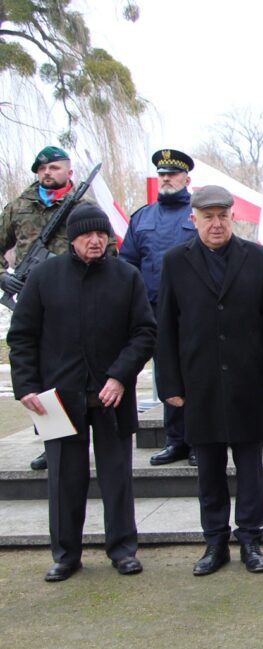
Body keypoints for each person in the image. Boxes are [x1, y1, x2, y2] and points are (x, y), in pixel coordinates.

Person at [8, 203, 156, 581]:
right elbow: (22, 336)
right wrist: (26, 386)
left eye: (101, 234)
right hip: (57, 400)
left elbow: (144, 332)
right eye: (87, 234)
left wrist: (120, 376)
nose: (95, 240)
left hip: (112, 397)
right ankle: (65, 555)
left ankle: (123, 550)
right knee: (63, 480)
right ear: (72, 239)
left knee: (117, 478)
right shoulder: (44, 277)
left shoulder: (127, 276)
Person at [156, 185, 263, 576]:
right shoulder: (175, 261)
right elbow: (167, 326)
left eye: (223, 216)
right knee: (209, 470)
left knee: (250, 469)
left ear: (233, 217)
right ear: (193, 219)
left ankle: (250, 540)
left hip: (247, 381)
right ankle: (215, 542)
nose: (216, 224)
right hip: (200, 383)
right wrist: (170, 385)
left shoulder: (256, 257)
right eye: (208, 217)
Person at [1, 146, 87, 472]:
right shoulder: (18, 207)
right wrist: (2, 277)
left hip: (77, 299)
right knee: (42, 370)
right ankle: (51, 442)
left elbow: (106, 251)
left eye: (54, 167)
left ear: (69, 171)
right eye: (42, 169)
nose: (47, 173)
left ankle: (81, 437)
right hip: (33, 300)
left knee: (76, 369)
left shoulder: (82, 207)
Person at [120, 149, 197, 467]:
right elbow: (127, 264)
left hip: (194, 310)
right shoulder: (142, 218)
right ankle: (175, 441)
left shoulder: (199, 214)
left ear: (186, 179)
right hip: (153, 311)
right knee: (167, 374)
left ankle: (198, 440)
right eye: (162, 174)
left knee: (195, 374)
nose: (166, 179)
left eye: (172, 174)